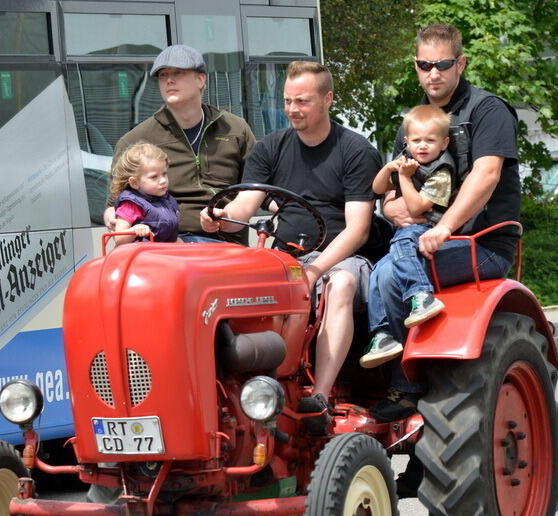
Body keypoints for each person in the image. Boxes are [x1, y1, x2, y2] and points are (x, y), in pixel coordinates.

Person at [199, 60, 382, 433]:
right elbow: (245, 207)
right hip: (286, 256)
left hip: (342, 258)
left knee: (341, 284)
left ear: (328, 99)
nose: (293, 110)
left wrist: (314, 271)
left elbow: (358, 230)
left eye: (303, 101)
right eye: (287, 101)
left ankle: (320, 395)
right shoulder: (270, 148)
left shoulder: (354, 150)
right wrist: (218, 217)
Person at [370, 23, 521, 428]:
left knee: (388, 274)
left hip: (482, 243)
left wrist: (444, 228)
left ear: (460, 63)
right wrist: (391, 207)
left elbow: (485, 176)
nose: (432, 73)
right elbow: (394, 178)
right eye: (424, 64)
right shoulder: (417, 120)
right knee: (356, 279)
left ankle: (408, 387)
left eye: (442, 64)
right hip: (425, 237)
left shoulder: (488, 111)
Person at [104, 45, 256, 244]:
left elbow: (261, 188)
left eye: (178, 72)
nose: (169, 80)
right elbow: (113, 204)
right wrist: (112, 216)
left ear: (201, 79)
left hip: (227, 243)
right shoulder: (135, 140)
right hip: (166, 245)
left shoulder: (236, 129)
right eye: (162, 75)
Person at [360, 104, 455, 368]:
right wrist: (390, 168)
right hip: (408, 230)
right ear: (406, 141)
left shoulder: (441, 171)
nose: (422, 146)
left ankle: (421, 295)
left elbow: (416, 208)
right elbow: (377, 188)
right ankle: (382, 333)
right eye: (416, 140)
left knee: (401, 241)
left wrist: (403, 177)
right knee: (378, 270)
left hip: (428, 228)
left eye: (430, 140)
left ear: (444, 143)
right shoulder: (407, 164)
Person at [108, 142, 180, 244]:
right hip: (139, 256)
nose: (163, 180)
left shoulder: (167, 200)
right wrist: (134, 230)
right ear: (134, 183)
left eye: (164, 174)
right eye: (154, 177)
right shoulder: (131, 204)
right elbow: (119, 239)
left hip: (163, 255)